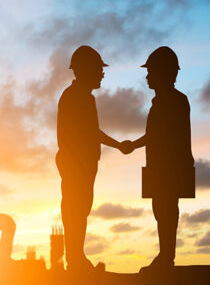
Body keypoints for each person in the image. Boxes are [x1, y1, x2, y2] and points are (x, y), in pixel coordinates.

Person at [56, 45, 132, 272]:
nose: (102, 74)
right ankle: (75, 262)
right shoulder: (74, 97)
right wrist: (118, 145)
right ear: (84, 70)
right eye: (98, 69)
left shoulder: (84, 98)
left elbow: (92, 132)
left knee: (80, 210)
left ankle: (77, 258)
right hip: (75, 164)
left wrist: (117, 145)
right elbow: (90, 133)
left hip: (84, 163)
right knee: (75, 210)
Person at [123, 46, 195, 272]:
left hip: (169, 167)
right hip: (159, 166)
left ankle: (166, 260)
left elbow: (171, 136)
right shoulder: (162, 102)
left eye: (151, 71)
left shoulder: (175, 101)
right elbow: (155, 135)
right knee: (161, 211)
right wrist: (134, 145)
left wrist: (180, 165)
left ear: (165, 73)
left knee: (166, 211)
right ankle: (165, 257)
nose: (147, 76)